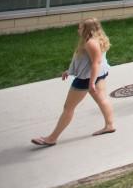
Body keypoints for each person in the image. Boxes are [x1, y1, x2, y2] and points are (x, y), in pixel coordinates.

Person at [31, 18, 115, 147]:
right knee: (102, 99)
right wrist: (69, 70)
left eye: (80, 27)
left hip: (86, 79)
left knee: (68, 108)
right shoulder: (98, 39)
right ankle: (109, 125)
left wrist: (91, 83)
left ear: (87, 29)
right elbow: (84, 60)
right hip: (99, 74)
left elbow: (95, 63)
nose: (78, 29)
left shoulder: (90, 43)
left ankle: (52, 138)